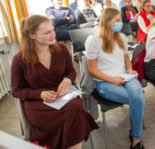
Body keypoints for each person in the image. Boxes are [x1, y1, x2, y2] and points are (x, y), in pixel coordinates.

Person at [11, 15, 98, 149]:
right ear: (32, 35)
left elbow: (71, 71)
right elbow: (17, 90)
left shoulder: (61, 50)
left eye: (53, 30)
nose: (53, 34)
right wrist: (40, 94)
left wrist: (67, 80)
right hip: (38, 104)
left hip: (63, 95)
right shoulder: (20, 60)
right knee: (76, 116)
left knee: (76, 110)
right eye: (47, 32)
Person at [86, 8, 145, 149]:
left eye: (120, 19)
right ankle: (136, 139)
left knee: (138, 95)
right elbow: (92, 70)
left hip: (125, 77)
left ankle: (135, 136)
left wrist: (130, 69)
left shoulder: (122, 37)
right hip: (105, 82)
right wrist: (113, 80)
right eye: (117, 20)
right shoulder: (94, 41)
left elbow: (126, 59)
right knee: (137, 99)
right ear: (107, 22)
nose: (121, 23)